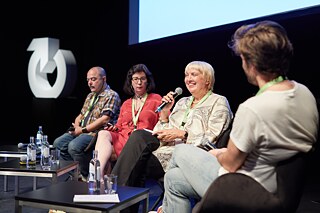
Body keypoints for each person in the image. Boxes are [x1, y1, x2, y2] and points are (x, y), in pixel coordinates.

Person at [160, 20, 319, 213]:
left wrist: (218, 153)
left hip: (246, 188)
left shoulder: (253, 108)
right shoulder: (305, 93)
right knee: (173, 179)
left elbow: (230, 163)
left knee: (181, 151)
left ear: (251, 63)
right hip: (282, 191)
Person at [111, 60, 233, 212]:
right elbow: (162, 131)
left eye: (193, 75)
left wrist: (184, 135)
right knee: (138, 137)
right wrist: (164, 115)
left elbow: (212, 137)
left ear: (207, 79)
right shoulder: (182, 102)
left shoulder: (219, 101)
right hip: (164, 151)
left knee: (135, 164)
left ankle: (113, 198)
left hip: (189, 157)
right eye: (186, 75)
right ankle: (116, 200)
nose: (188, 79)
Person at [94, 63, 162, 179]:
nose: (139, 83)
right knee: (103, 133)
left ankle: (109, 181)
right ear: (131, 82)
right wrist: (113, 128)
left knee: (109, 151)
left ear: (148, 81)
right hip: (123, 137)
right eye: (135, 79)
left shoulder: (156, 99)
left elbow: (163, 123)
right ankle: (97, 176)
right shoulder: (126, 104)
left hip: (141, 140)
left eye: (142, 79)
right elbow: (119, 126)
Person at [53, 66, 121, 180]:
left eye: (93, 79)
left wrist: (83, 130)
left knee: (73, 146)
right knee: (58, 144)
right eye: (88, 80)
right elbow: (81, 115)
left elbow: (104, 119)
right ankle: (76, 174)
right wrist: (78, 127)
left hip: (96, 134)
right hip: (83, 131)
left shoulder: (111, 95)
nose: (90, 83)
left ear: (104, 79)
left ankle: (87, 176)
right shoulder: (90, 96)